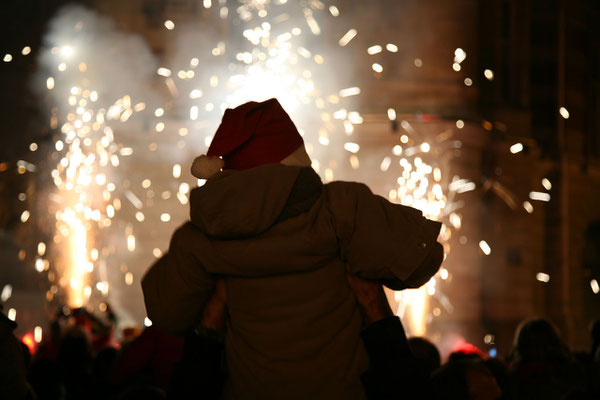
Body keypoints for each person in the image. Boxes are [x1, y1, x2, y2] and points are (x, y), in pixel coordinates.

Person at [142, 98, 444, 399]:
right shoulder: (340, 210)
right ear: (296, 159)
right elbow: (422, 261)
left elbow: (166, 315)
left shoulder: (204, 238)